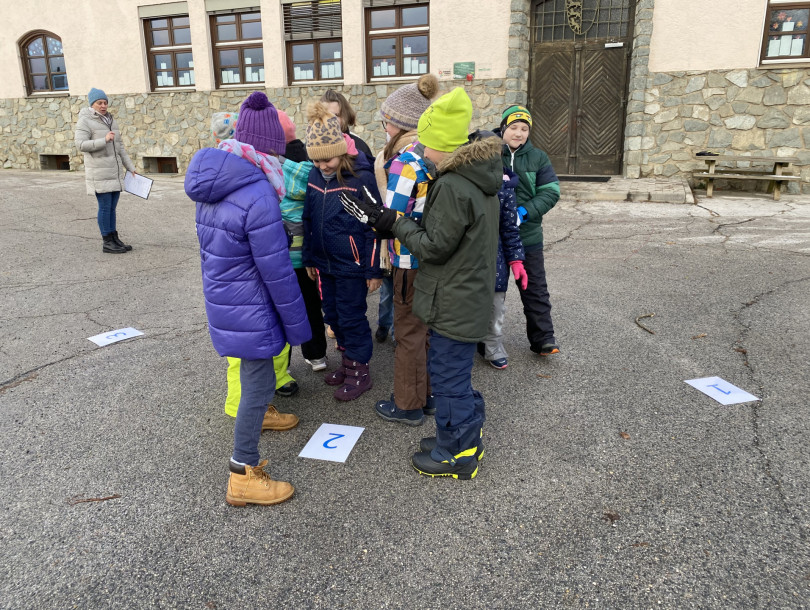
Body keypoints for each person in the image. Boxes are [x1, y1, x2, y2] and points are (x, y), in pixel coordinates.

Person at [341, 88, 502, 479]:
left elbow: (433, 247)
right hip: (464, 294)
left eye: (427, 144)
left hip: (454, 300)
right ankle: (458, 436)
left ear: (445, 147)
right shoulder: (477, 179)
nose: (423, 151)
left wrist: (394, 222)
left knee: (449, 382)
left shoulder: (453, 187)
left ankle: (458, 454)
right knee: (452, 375)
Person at [185, 91, 311, 507]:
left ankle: (263, 415)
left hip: (227, 298)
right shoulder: (258, 192)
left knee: (255, 379)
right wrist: (298, 326)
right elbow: (276, 269)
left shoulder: (217, 180)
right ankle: (243, 472)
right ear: (268, 148)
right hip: (252, 303)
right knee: (256, 382)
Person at [208, 111, 300, 411]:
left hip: (225, 284)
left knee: (243, 349)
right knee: (254, 348)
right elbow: (272, 263)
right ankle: (245, 410)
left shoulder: (217, 182)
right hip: (250, 285)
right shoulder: (257, 190)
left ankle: (263, 388)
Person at [371, 73, 439, 426]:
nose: (384, 126)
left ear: (396, 123)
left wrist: (375, 218)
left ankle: (407, 404)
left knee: (408, 332)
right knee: (424, 330)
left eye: (385, 120)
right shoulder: (431, 153)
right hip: (431, 256)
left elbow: (394, 215)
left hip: (408, 258)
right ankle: (426, 396)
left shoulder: (404, 161)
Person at [302, 101, 382, 401]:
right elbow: (308, 218)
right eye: (317, 161)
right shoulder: (314, 178)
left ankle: (359, 371)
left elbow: (375, 224)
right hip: (324, 264)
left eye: (329, 160)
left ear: (342, 151)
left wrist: (374, 269)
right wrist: (310, 257)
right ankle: (347, 364)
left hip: (353, 265)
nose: (323, 166)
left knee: (351, 317)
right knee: (333, 316)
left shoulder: (359, 179)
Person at [496, 105, 561, 356]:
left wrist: (525, 212)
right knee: (491, 293)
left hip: (529, 236)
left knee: (535, 290)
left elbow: (550, 192)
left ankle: (543, 338)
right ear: (503, 128)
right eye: (513, 127)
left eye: (524, 129)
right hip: (495, 239)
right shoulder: (491, 153)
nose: (519, 133)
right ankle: (484, 341)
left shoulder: (538, 157)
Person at [74, 88, 137, 254]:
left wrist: (130, 167)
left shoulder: (111, 120)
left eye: (105, 102)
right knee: (104, 206)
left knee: (112, 208)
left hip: (114, 172)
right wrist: (104, 140)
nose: (103, 106)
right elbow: (80, 145)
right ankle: (107, 241)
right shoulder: (85, 121)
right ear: (92, 104)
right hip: (99, 172)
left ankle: (114, 238)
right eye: (99, 103)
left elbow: (120, 147)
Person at [477, 166, 528, 369]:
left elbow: (510, 228)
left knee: (496, 308)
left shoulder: (505, 188)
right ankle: (468, 342)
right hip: (467, 260)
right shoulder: (461, 184)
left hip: (496, 260)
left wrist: (516, 260)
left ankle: (493, 347)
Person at [321, 89, 374, 161]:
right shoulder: (310, 147)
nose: (330, 120)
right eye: (326, 115)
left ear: (345, 116)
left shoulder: (359, 148)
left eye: (336, 115)